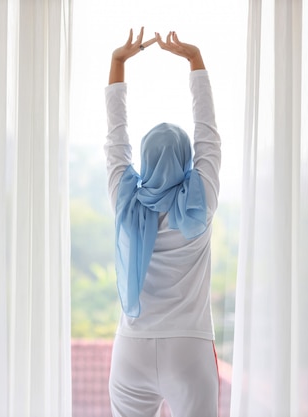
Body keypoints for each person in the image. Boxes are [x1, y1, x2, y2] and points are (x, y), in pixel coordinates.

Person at [105, 27, 221, 417]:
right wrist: (194, 60)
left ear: (144, 159)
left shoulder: (125, 199)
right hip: (189, 347)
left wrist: (118, 62)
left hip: (131, 349)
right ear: (187, 160)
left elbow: (115, 139)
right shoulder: (200, 200)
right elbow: (208, 134)